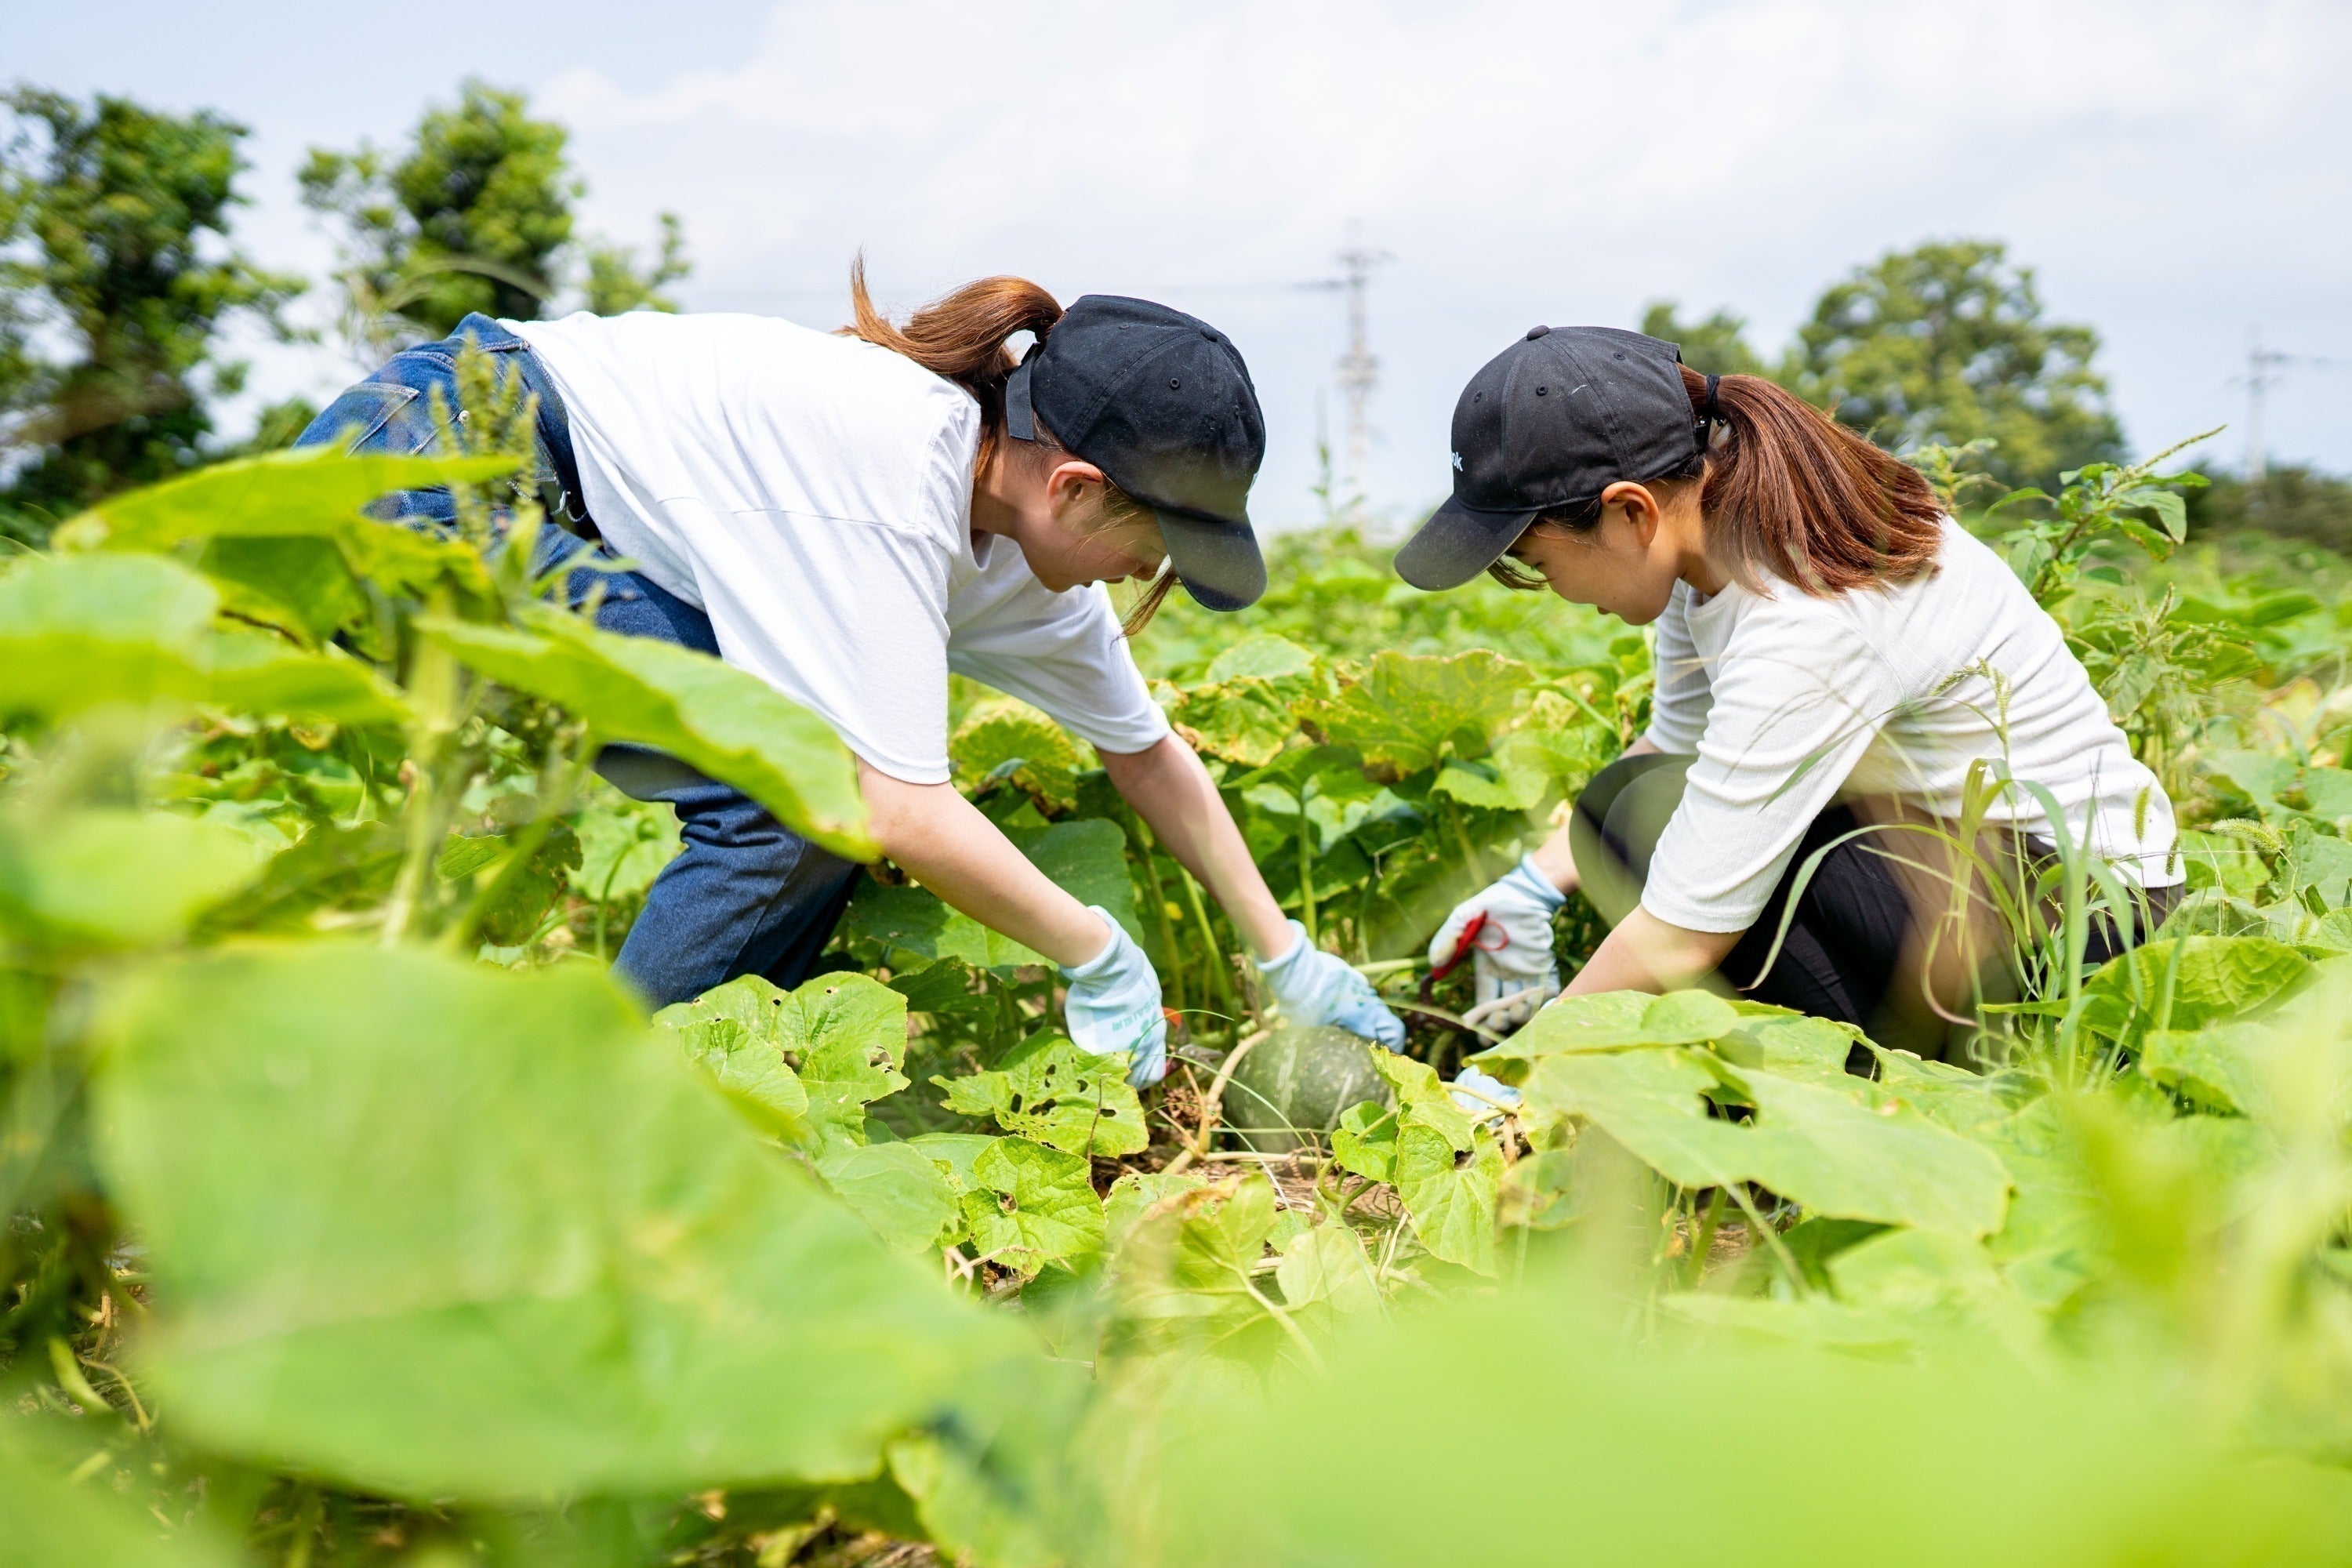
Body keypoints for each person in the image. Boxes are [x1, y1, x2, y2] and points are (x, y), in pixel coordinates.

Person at [296, 268, 1402, 1083]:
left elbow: (1147, 754)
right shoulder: (891, 471)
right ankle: (577, 1134)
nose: (1138, 579)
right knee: (786, 796)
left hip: (552, 510)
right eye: (1149, 552)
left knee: (803, 799)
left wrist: (1284, 950)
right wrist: (1096, 953)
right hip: (430, 466)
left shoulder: (1029, 555)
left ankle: (708, 1105)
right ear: (1069, 488)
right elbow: (901, 811)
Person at [1404, 325, 2180, 1058]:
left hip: (2082, 929)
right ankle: (1819, 1071)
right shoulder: (1708, 543)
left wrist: (1520, 1073)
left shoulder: (1805, 617)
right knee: (1624, 808)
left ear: (1630, 511)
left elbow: (1685, 929)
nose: (1556, 591)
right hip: (1957, 865)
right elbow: (1675, 747)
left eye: (1543, 565)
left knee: (1714, 859)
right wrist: (1531, 885)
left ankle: (1886, 1095)